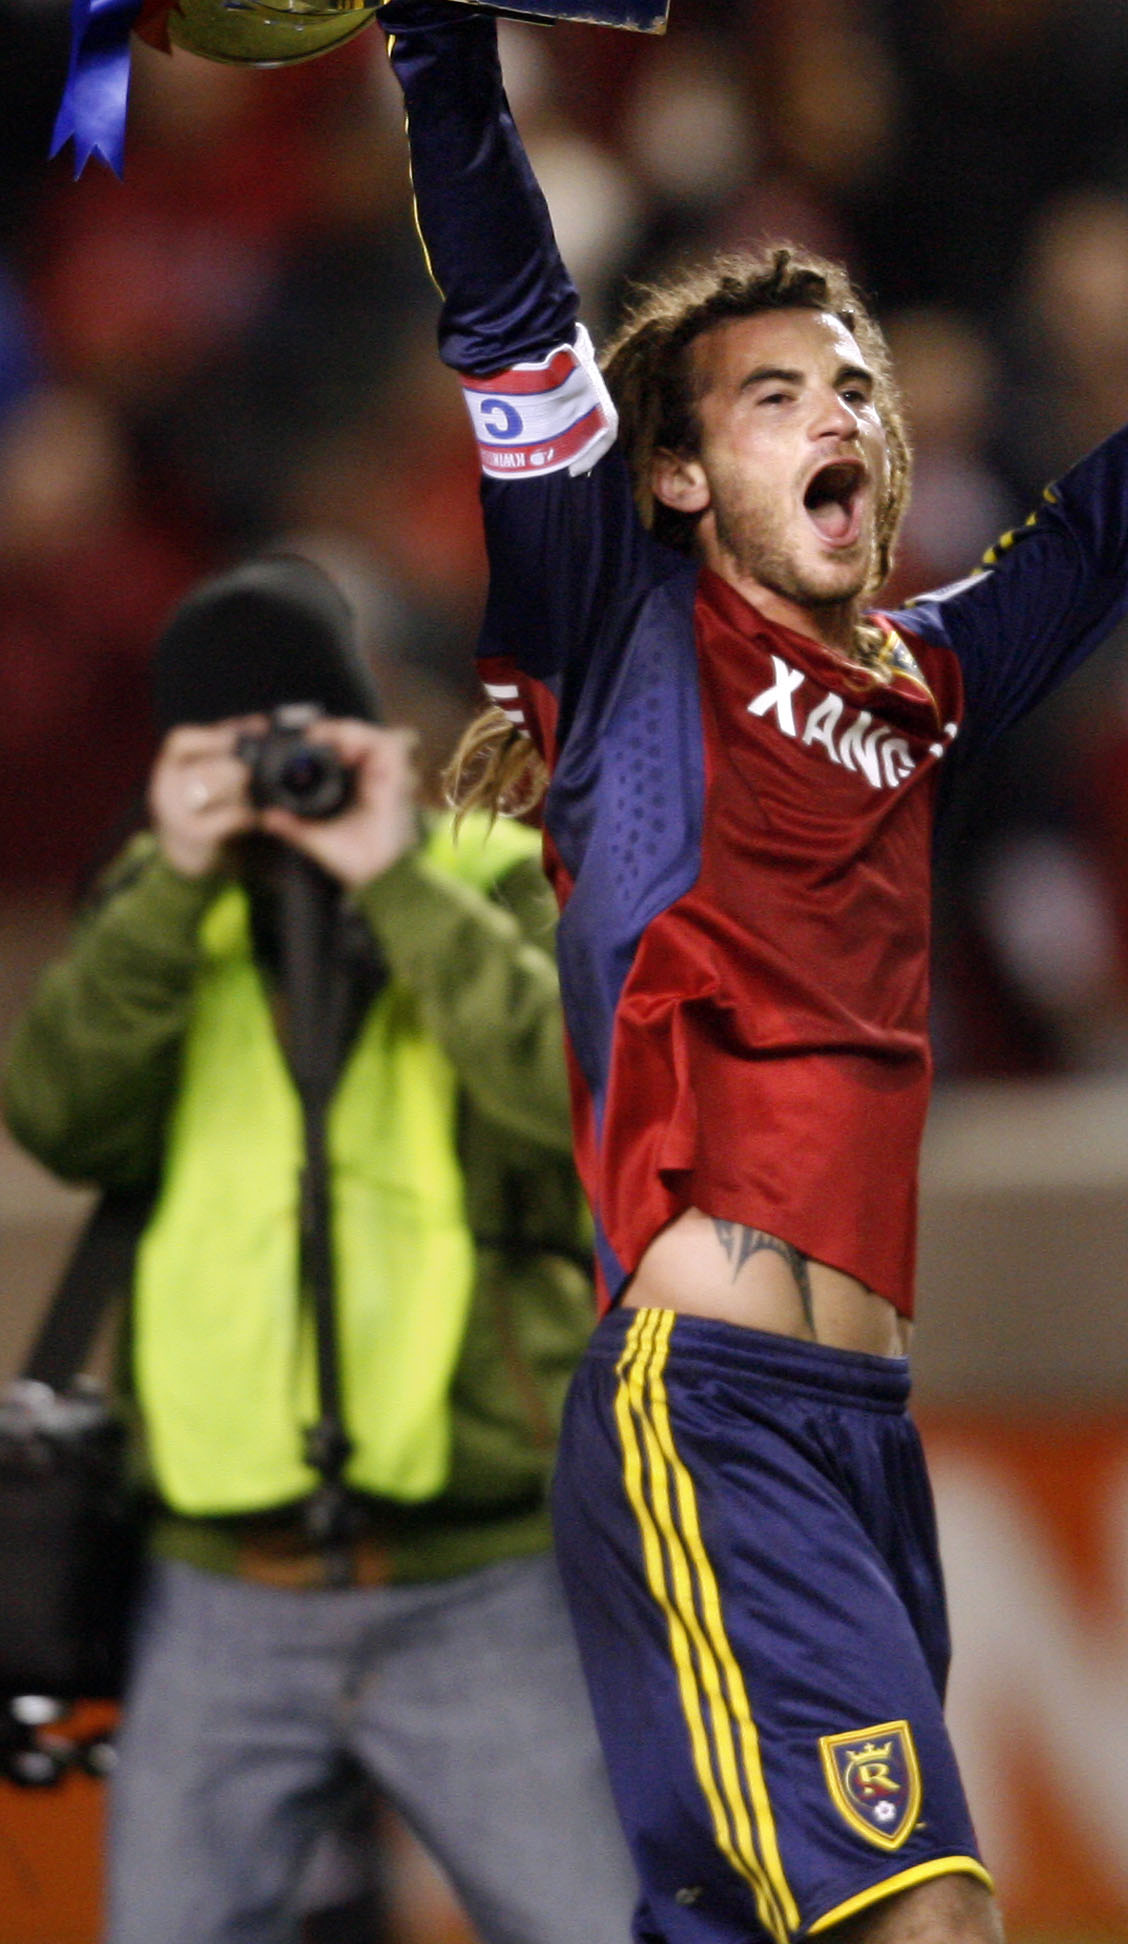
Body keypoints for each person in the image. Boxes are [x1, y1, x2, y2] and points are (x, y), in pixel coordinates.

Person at [376, 0, 1128, 1944]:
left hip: (855, 1434)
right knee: (928, 1922)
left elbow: (1115, 521)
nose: (842, 417)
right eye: (774, 394)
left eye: (855, 388)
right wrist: (447, 55)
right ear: (662, 478)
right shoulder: (624, 634)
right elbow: (507, 319)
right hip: (709, 1403)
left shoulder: (921, 682)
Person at [2, 556, 638, 1944]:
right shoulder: (164, 912)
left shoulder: (482, 876)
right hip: (220, 1583)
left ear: (370, 731)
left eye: (306, 739)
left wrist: (393, 877)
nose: (280, 773)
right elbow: (55, 1113)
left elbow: (582, 1103)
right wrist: (171, 882)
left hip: (479, 1576)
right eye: (239, 747)